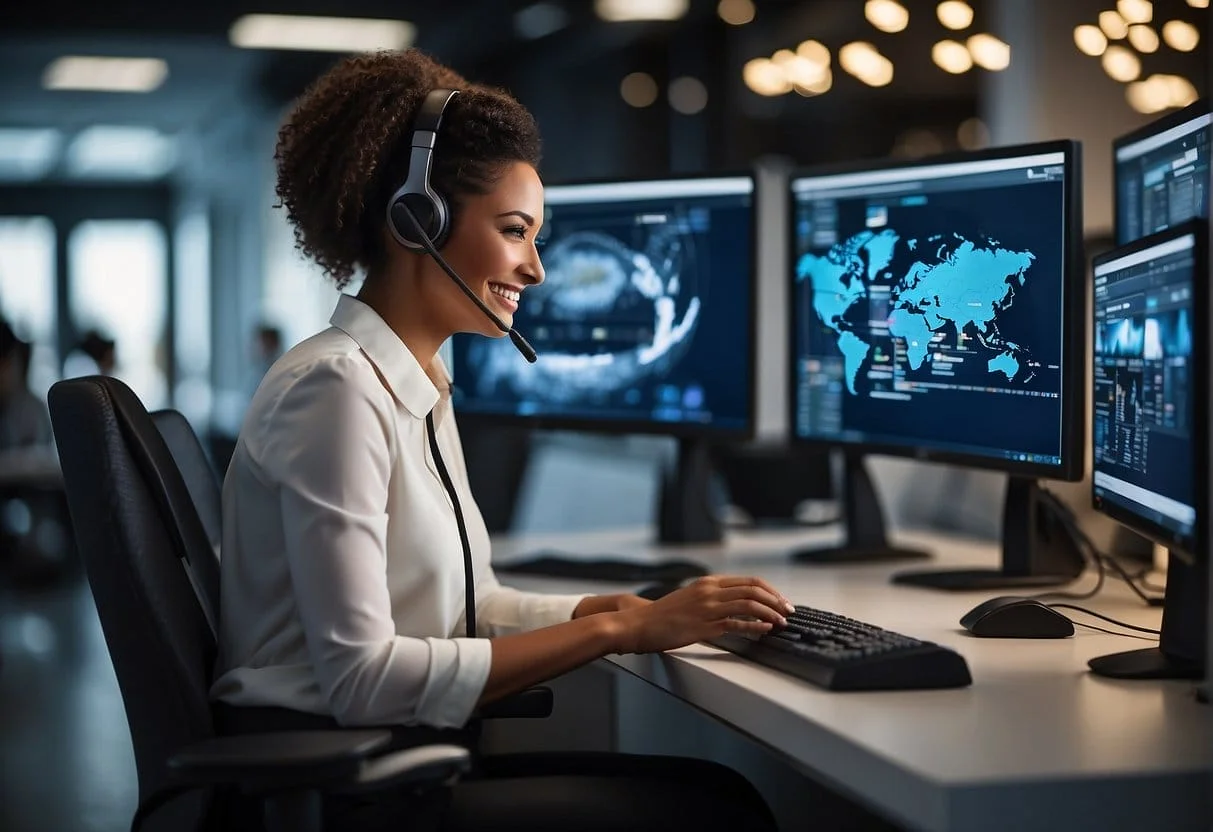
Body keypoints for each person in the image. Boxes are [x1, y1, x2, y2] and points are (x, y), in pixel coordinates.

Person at [211, 48, 788, 832]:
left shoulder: (411, 380)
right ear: (418, 219)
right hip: (352, 784)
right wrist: (620, 632)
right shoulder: (336, 389)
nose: (537, 269)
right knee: (722, 809)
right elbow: (362, 678)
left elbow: (466, 610)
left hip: (393, 760)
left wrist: (606, 606)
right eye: (515, 231)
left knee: (717, 794)